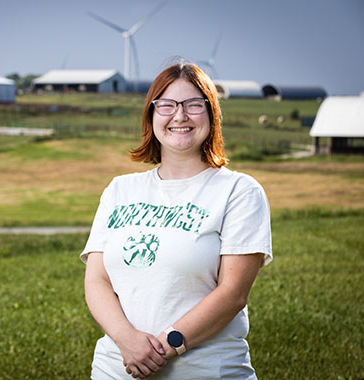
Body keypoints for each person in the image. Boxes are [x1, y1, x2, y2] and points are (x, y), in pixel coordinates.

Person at [81, 61, 272, 380]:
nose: (180, 116)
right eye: (167, 105)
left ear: (211, 115)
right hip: (114, 370)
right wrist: (128, 342)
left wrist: (164, 348)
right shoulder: (120, 190)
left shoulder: (238, 191)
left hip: (207, 372)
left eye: (194, 105)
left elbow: (232, 293)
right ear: (151, 115)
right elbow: (97, 281)